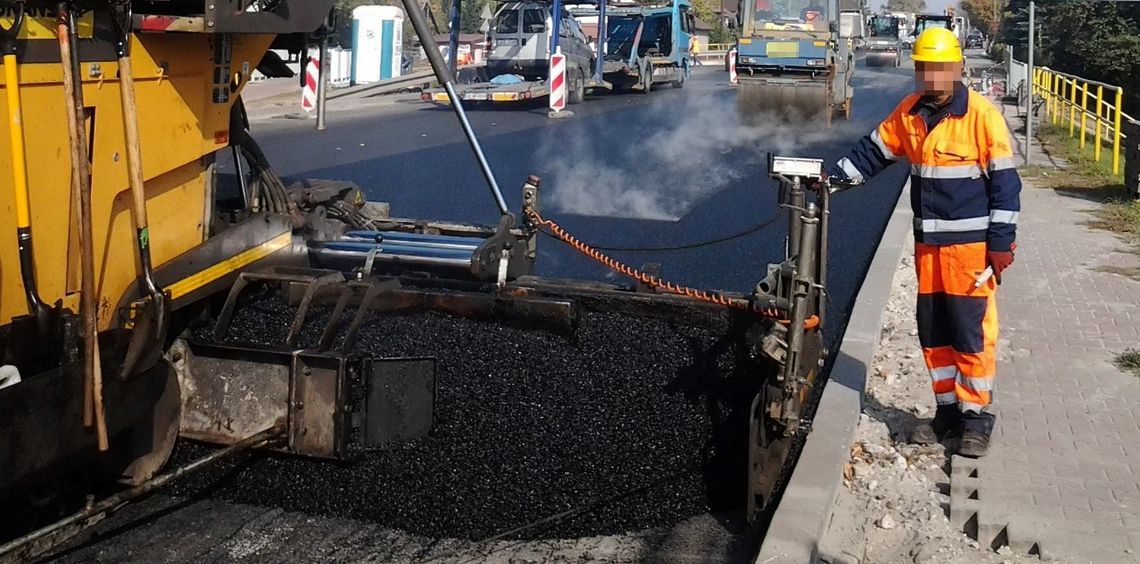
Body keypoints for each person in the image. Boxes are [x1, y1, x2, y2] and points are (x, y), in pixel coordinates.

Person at [826, 28, 1021, 458]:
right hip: (928, 248)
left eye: (939, 68)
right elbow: (874, 152)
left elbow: (1006, 185)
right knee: (933, 332)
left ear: (956, 68)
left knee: (970, 332)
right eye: (924, 68)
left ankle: (976, 419)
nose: (931, 77)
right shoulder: (910, 111)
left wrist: (1002, 241)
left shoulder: (981, 116)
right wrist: (832, 179)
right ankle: (947, 412)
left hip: (969, 252)